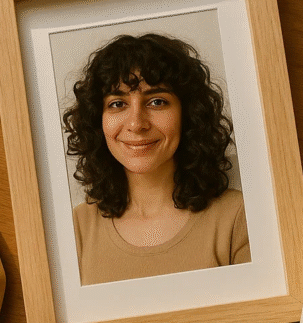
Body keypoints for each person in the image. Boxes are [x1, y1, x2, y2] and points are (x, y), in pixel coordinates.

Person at [63, 32, 250, 286]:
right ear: (98, 120)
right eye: (118, 104)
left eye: (157, 101)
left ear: (189, 115)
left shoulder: (239, 218)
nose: (137, 124)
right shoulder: (75, 230)